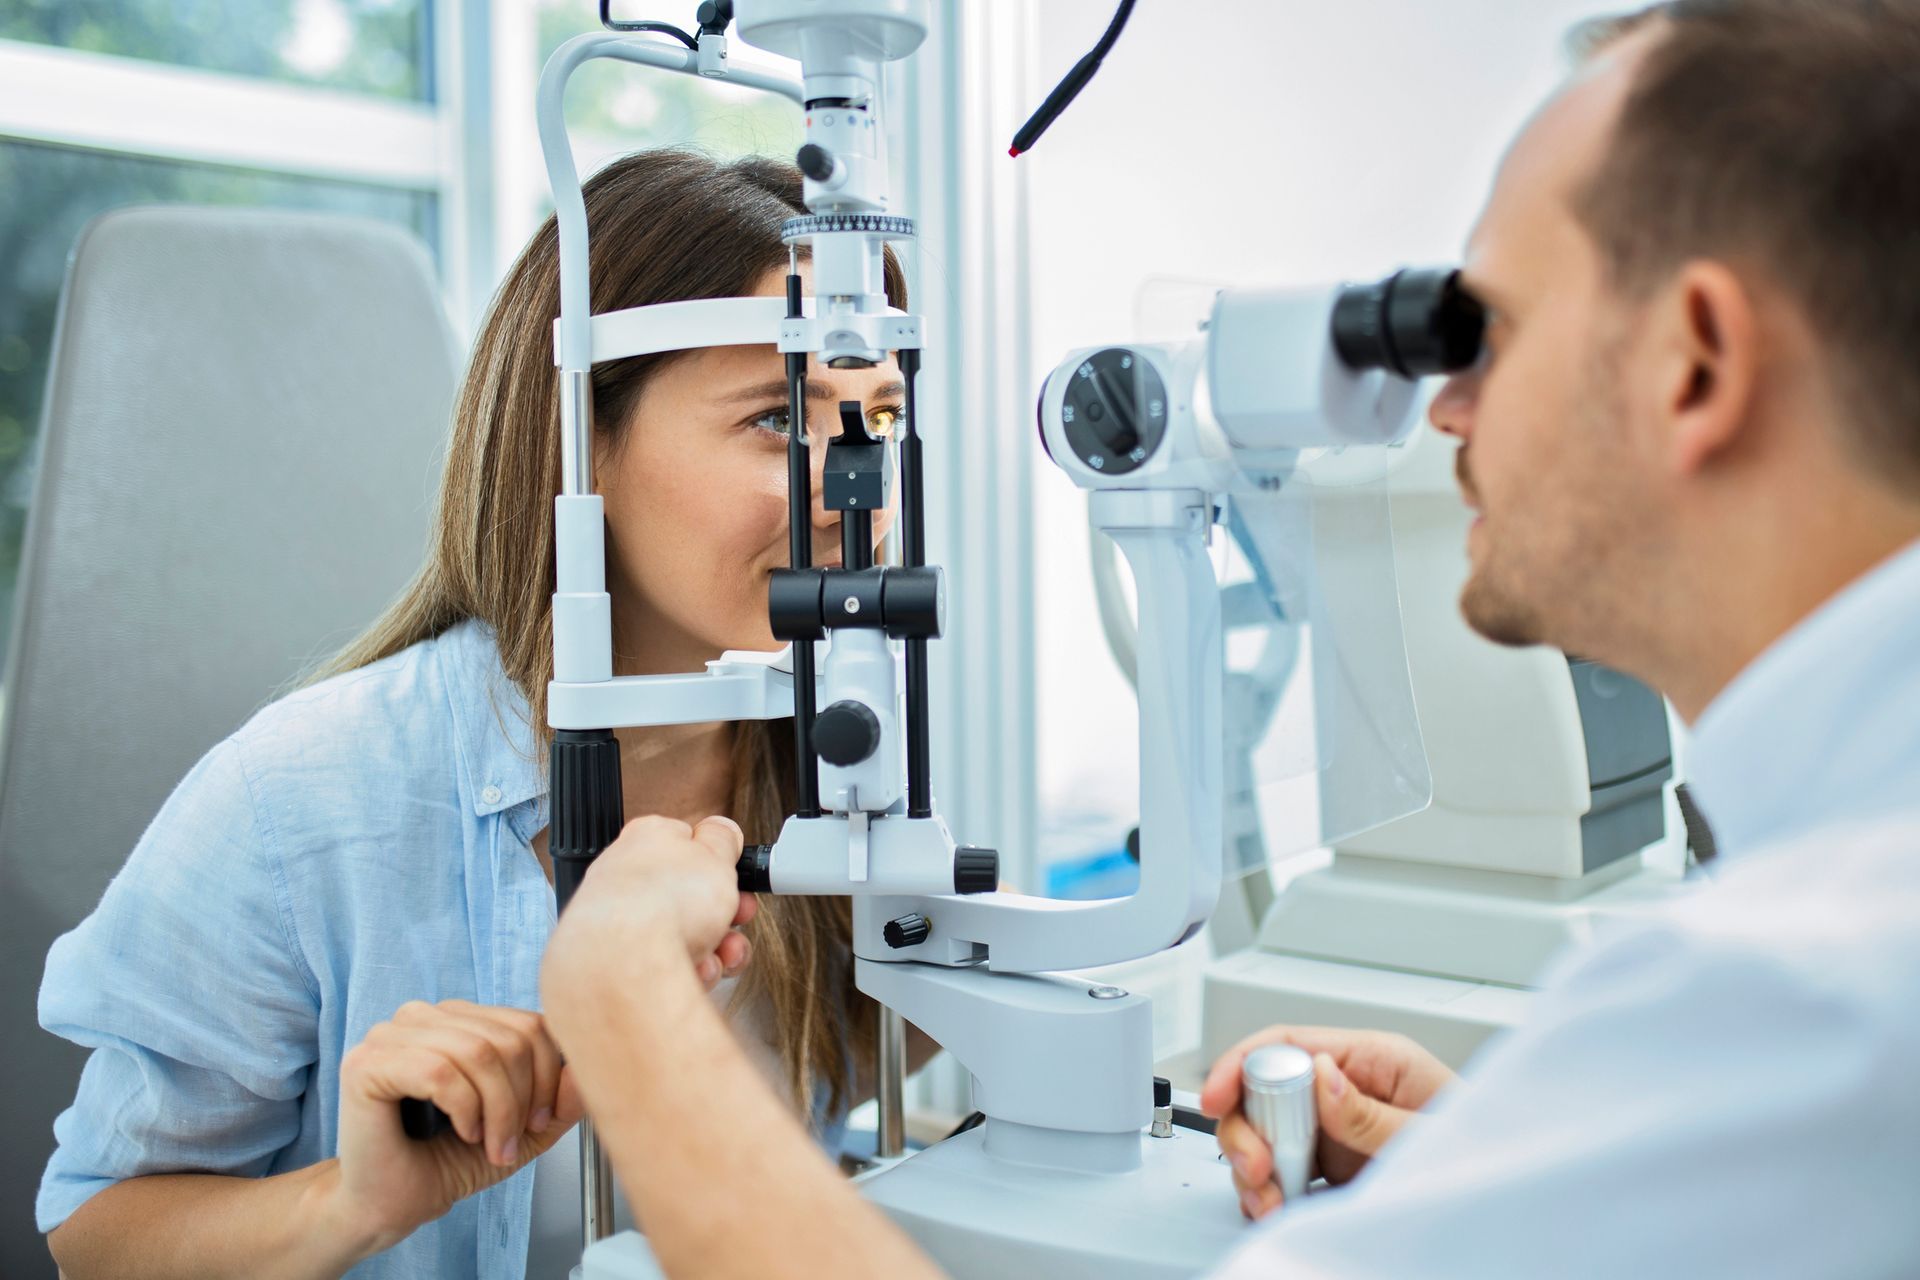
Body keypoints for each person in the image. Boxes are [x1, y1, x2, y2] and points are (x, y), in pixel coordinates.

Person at [534, 2, 1920, 1277]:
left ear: (1694, 364)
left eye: (1486, 326)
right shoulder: (1817, 954)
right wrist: (1497, 1173)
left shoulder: (1808, 990)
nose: (1444, 409)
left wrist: (628, 1019)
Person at [37, 148, 935, 1280]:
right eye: (774, 419)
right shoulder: (299, 801)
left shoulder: (849, 764)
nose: (850, 489)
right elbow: (93, 1239)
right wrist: (354, 1203)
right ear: (579, 446)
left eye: (878, 422)